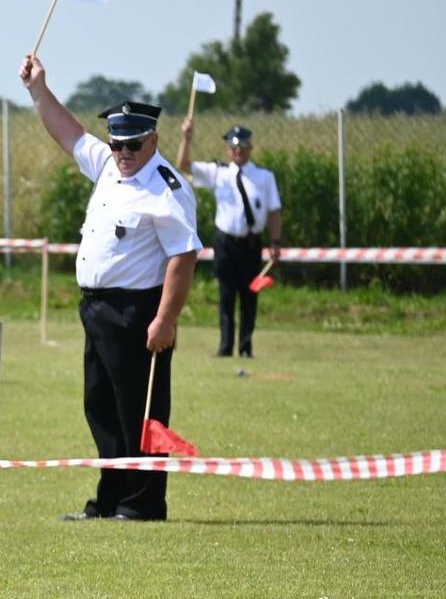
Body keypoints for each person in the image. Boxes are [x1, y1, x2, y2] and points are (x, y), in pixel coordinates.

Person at [20, 54, 199, 522]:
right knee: (100, 407)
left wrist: (165, 320)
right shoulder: (108, 166)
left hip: (137, 313)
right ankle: (111, 497)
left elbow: (184, 255)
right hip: (96, 311)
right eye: (117, 143)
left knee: (140, 410)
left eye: (133, 145)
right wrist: (39, 90)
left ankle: (143, 504)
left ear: (154, 141)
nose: (123, 152)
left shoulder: (166, 187)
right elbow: (70, 133)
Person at [176, 120, 283, 359]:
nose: (238, 151)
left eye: (242, 147)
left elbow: (274, 211)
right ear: (228, 150)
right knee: (226, 296)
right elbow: (184, 165)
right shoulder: (219, 172)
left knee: (249, 296)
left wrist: (275, 242)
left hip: (251, 243)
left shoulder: (264, 177)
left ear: (250, 148)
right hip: (225, 243)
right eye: (233, 147)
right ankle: (225, 347)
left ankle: (245, 347)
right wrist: (187, 138)